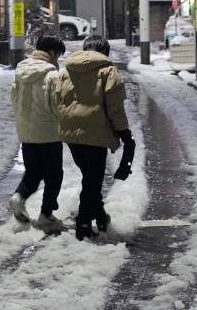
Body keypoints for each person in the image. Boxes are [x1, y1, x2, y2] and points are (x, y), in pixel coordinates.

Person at [53, 35, 133, 240]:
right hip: (95, 131)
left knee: (90, 177)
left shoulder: (65, 71)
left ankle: (100, 215)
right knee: (92, 181)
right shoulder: (108, 71)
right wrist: (124, 133)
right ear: (105, 51)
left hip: (70, 133)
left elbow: (57, 100)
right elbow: (115, 108)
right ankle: (83, 223)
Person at [8, 36, 66, 234]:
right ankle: (46, 215)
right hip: (49, 133)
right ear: (52, 52)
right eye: (58, 54)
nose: (58, 58)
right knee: (54, 175)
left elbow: (13, 99)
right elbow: (57, 105)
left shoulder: (20, 71)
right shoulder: (52, 74)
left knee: (33, 172)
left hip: (27, 132)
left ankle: (18, 197)